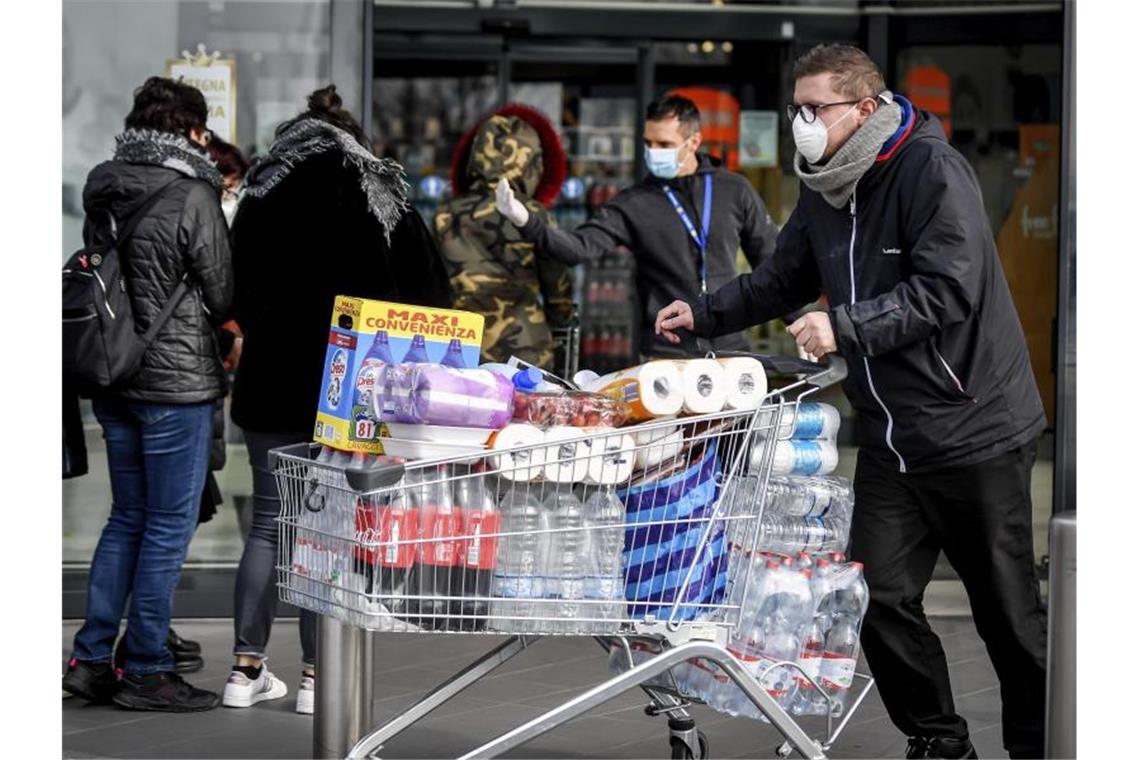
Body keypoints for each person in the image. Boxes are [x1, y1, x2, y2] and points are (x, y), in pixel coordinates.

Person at [655, 44, 1046, 760]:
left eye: (815, 109)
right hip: (894, 443)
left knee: (1009, 615)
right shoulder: (825, 185)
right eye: (797, 107)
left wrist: (844, 325)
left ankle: (1040, 743)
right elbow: (781, 279)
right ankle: (939, 740)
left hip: (974, 429)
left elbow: (947, 289)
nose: (802, 123)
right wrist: (704, 314)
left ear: (865, 110)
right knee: (875, 598)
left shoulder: (930, 170)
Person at [226, 84, 452, 714]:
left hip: (271, 381)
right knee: (326, 532)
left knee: (270, 524)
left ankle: (244, 672)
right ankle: (312, 679)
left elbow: (233, 291)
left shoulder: (262, 192)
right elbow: (431, 293)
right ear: (354, 138)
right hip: (351, 388)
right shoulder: (380, 191)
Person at [62, 76, 233, 712]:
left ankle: (90, 658)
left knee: (126, 517)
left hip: (112, 374)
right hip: (176, 383)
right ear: (191, 130)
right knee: (165, 528)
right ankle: (147, 669)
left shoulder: (102, 183)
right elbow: (222, 294)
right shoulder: (193, 194)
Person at [495, 94, 778, 359]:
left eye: (664, 145)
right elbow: (577, 248)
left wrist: (800, 319)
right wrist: (526, 221)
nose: (653, 152)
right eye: (648, 143)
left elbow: (772, 262)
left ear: (693, 142)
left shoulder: (734, 189)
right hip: (667, 350)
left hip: (730, 347)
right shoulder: (633, 202)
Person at [434, 104, 574, 369]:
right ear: (530, 162)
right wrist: (563, 325)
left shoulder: (445, 215)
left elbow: (428, 287)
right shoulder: (533, 214)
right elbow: (557, 289)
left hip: (460, 349)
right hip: (526, 348)